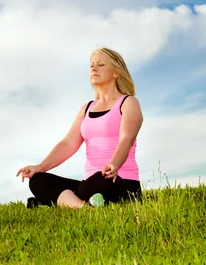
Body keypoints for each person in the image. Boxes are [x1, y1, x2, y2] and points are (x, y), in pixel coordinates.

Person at [16, 47, 143, 208]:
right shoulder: (87, 108)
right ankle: (84, 207)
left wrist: (115, 164)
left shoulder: (128, 103)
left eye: (101, 64)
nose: (94, 68)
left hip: (119, 182)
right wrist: (40, 167)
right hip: (88, 184)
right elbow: (68, 144)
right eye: (91, 65)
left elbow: (127, 138)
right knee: (38, 180)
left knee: (99, 180)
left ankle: (58, 201)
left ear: (116, 72)